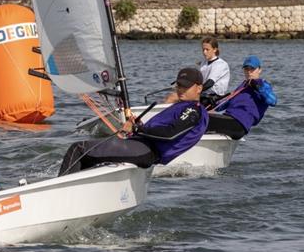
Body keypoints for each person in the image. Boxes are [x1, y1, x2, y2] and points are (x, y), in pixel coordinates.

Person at [58, 68, 209, 174]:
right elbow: (162, 131)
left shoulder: (193, 110)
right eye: (179, 85)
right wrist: (140, 126)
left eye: (186, 86)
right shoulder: (183, 106)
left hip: (147, 150)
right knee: (88, 159)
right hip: (142, 145)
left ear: (199, 88)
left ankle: (58, 193)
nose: (181, 89)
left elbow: (170, 134)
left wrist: (136, 129)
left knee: (78, 149)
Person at [206, 55, 276, 139]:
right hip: (229, 119)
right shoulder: (243, 86)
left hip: (240, 124)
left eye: (252, 69)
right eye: (246, 69)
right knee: (200, 115)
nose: (249, 72)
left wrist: (258, 88)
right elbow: (225, 103)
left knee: (203, 120)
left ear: (259, 70)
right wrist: (212, 103)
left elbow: (273, 101)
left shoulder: (263, 84)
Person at [199, 36, 230, 106]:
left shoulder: (220, 64)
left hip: (215, 98)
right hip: (204, 94)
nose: (204, 52)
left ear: (215, 49)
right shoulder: (203, 63)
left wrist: (195, 91)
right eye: (203, 49)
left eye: (207, 49)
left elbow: (210, 83)